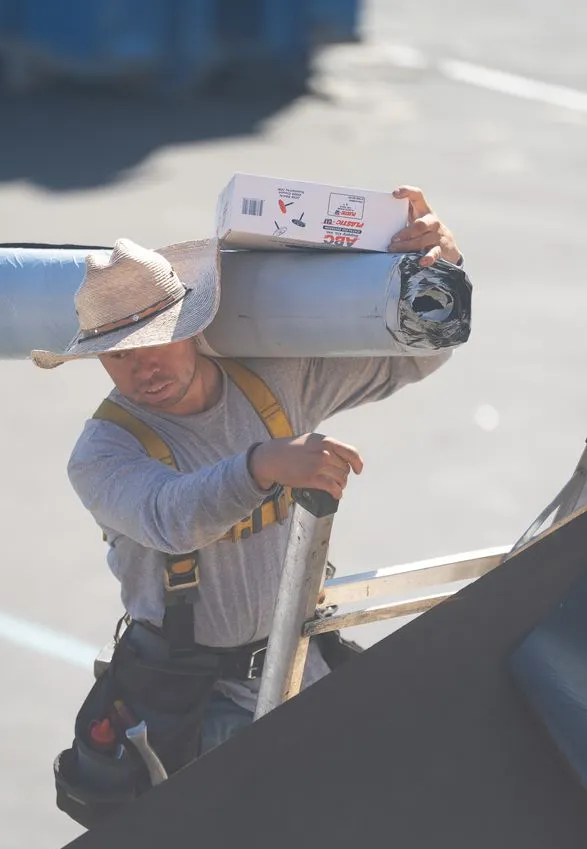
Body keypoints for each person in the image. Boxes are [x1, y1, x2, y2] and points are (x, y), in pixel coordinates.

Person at [32, 185, 463, 765]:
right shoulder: (103, 452)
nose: (142, 367)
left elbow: (414, 356)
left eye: (155, 340)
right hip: (197, 710)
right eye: (118, 353)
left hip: (303, 668)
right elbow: (170, 519)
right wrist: (263, 464)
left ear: (192, 326)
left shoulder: (272, 380)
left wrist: (443, 269)